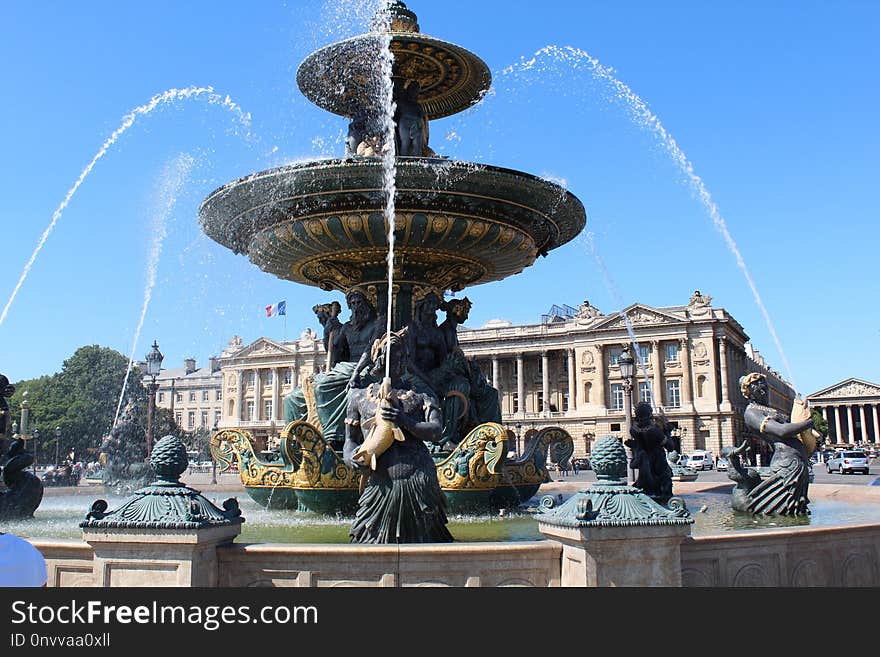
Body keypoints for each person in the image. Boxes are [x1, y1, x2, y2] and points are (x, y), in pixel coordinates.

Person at [344, 329, 453, 543]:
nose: (395, 360)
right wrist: (350, 457)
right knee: (366, 538)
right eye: (388, 355)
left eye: (400, 356)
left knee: (426, 544)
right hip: (380, 482)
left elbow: (436, 431)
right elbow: (350, 440)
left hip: (417, 478)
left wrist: (405, 420)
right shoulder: (357, 397)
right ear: (377, 358)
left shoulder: (423, 396)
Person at [284, 288, 383, 447]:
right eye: (353, 303)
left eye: (359, 303)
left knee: (323, 386)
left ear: (367, 304)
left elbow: (370, 349)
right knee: (293, 397)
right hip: (345, 368)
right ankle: (293, 442)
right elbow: (334, 351)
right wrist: (328, 329)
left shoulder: (377, 324)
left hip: (367, 368)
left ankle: (333, 436)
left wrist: (356, 372)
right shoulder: (347, 328)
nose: (356, 307)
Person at [738, 372, 815, 515]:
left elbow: (793, 427)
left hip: (797, 463)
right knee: (782, 510)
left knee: (795, 510)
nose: (764, 390)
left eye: (765, 386)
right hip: (787, 465)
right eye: (759, 386)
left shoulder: (769, 410)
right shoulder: (751, 413)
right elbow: (782, 431)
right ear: (749, 391)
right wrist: (808, 423)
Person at [624, 402, 673, 502]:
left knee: (645, 489)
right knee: (662, 493)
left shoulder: (633, 430)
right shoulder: (654, 431)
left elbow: (640, 443)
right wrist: (667, 431)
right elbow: (670, 447)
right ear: (648, 415)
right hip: (657, 464)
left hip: (644, 463)